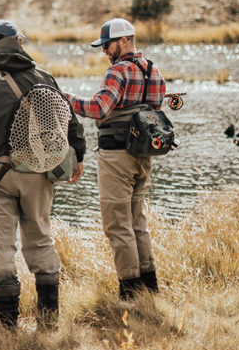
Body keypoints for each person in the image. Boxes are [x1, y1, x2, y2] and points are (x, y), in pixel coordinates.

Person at [0, 20, 85, 329]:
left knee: (0, 241)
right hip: (38, 170)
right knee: (39, 237)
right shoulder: (44, 77)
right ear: (18, 43)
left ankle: (7, 321)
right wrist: (78, 157)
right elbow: (71, 124)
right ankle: (49, 320)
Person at [64, 17, 167, 299]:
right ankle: (150, 287)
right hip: (143, 157)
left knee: (116, 224)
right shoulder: (154, 72)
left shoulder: (117, 72)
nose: (104, 51)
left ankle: (130, 293)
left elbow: (98, 108)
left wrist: (68, 98)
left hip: (116, 157)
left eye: (107, 45)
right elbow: (153, 113)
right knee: (137, 222)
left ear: (123, 41)